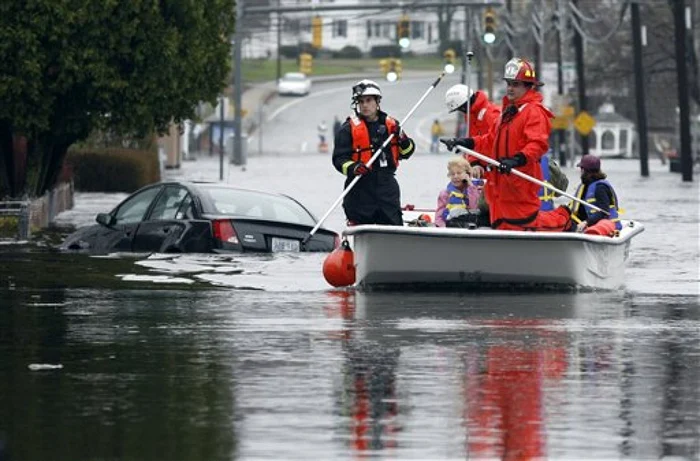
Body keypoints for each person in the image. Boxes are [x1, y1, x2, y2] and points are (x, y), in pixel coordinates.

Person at [440, 57, 571, 232]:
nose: (510, 88)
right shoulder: (506, 114)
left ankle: (565, 217)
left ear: (527, 86)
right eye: (509, 83)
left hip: (519, 184)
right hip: (500, 187)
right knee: (501, 224)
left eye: (515, 84)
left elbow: (537, 144)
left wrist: (516, 160)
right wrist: (467, 142)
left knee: (524, 224)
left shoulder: (534, 112)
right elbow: (490, 140)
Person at [332, 79, 416, 226]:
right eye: (361, 101)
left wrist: (401, 137)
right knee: (361, 225)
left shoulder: (393, 126)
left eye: (369, 100)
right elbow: (339, 160)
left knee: (393, 225)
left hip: (387, 188)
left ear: (377, 102)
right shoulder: (347, 130)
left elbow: (407, 152)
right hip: (360, 189)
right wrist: (354, 168)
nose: (365, 105)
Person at [444, 84, 501, 222]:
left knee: (488, 202)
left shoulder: (491, 115)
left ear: (464, 105)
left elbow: (493, 144)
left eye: (460, 109)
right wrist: (474, 163)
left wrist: (481, 164)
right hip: (481, 170)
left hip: (494, 170)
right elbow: (474, 143)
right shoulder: (471, 115)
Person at [569, 154, 622, 232]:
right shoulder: (585, 186)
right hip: (589, 224)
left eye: (581, 169)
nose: (580, 172)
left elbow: (604, 212)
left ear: (584, 170)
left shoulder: (600, 188)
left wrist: (586, 222)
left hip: (605, 226)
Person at [434, 156, 481, 227]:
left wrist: (470, 186)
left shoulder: (474, 190)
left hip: (469, 226)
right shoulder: (445, 194)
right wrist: (444, 228)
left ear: (467, 174)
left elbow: (474, 207)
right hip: (451, 226)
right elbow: (438, 218)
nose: (455, 176)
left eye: (459, 173)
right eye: (452, 174)